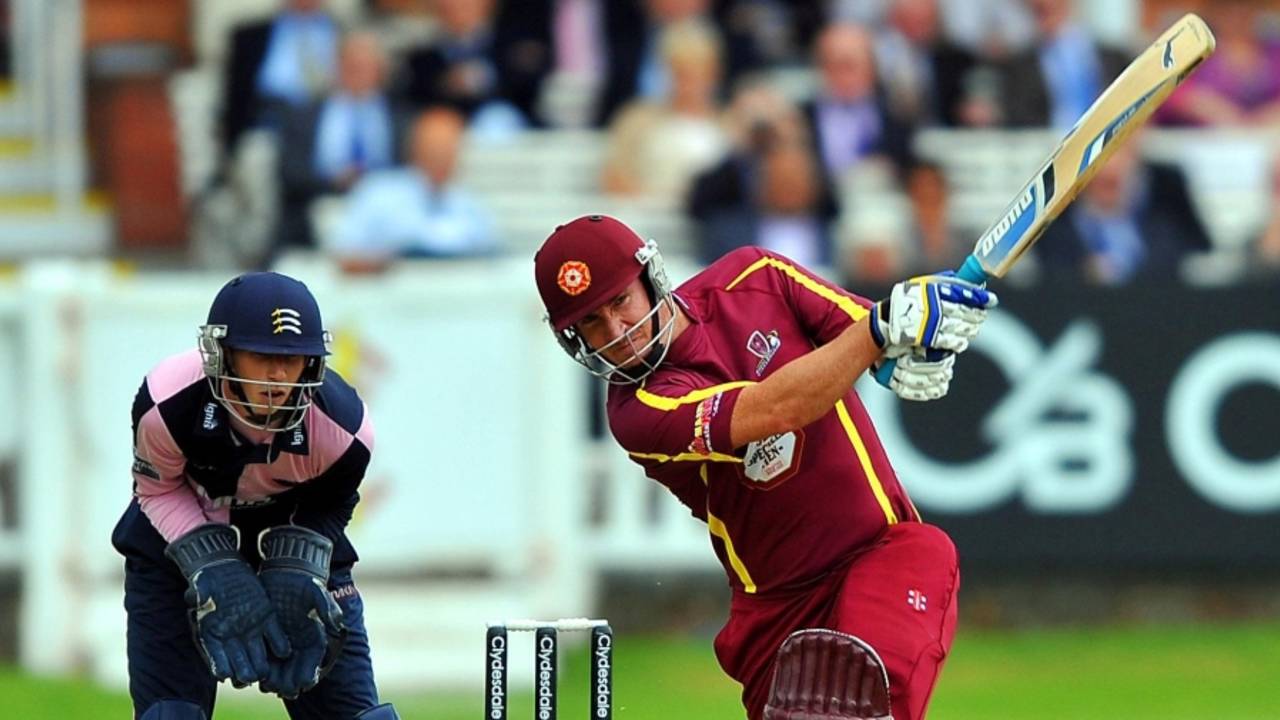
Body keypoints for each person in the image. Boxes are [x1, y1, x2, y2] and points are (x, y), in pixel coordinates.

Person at [532, 215, 998, 720]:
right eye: (591, 324)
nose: (617, 333)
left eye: (620, 302)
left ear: (650, 278)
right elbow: (776, 407)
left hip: (881, 556)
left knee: (923, 554)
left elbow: (872, 344)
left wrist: (921, 341)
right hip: (779, 615)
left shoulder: (756, 277)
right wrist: (886, 328)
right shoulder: (638, 409)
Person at [111, 272, 399, 720]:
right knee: (170, 717)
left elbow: (334, 501)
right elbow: (156, 487)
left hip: (287, 531)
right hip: (175, 544)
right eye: (262, 355)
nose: (279, 375)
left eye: (295, 358)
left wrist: (298, 563)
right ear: (222, 353)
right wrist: (213, 564)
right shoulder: (167, 402)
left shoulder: (345, 429)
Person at [330, 106, 495, 268]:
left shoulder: (467, 202)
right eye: (435, 149)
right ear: (415, 148)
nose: (442, 158)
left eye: (449, 150)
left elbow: (492, 253)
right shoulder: (378, 192)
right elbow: (343, 252)